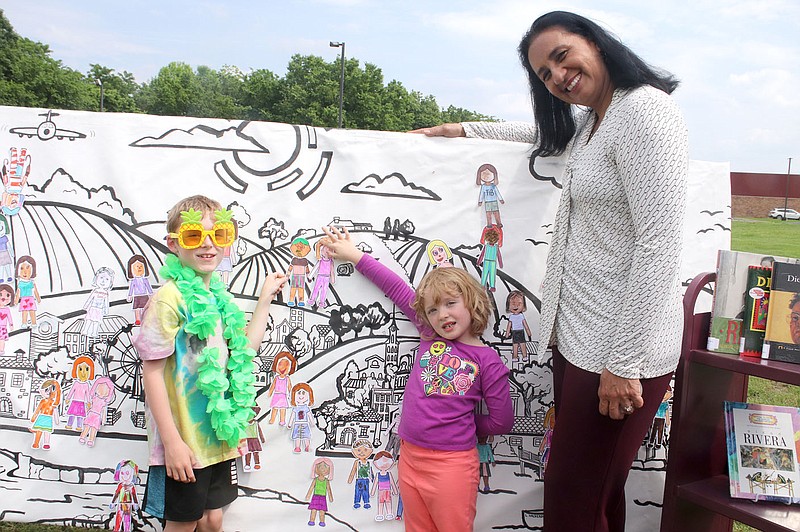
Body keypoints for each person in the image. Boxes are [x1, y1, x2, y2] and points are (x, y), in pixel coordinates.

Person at [415, 11, 688, 531]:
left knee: (570, 499)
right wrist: (462, 130)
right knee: (595, 495)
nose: (557, 76)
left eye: (561, 56)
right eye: (544, 73)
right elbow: (541, 132)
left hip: (618, 349)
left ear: (596, 42)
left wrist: (624, 363)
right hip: (580, 341)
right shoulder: (596, 122)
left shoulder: (646, 112)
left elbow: (659, 244)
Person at [322, 226, 514, 532]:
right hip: (409, 456)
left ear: (472, 302)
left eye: (451, 303)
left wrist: (463, 425)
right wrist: (354, 256)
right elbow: (396, 287)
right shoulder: (428, 334)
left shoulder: (487, 360)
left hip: (452, 465)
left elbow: (503, 421)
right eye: (433, 309)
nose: (442, 315)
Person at [133, 195, 287, 532]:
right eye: (193, 236)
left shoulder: (218, 297)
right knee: (183, 524)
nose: (207, 244)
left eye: (219, 235)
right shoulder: (168, 299)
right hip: (185, 442)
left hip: (218, 440)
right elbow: (152, 373)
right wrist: (172, 444)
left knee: (213, 519)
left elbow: (243, 348)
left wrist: (263, 301)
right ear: (174, 245)